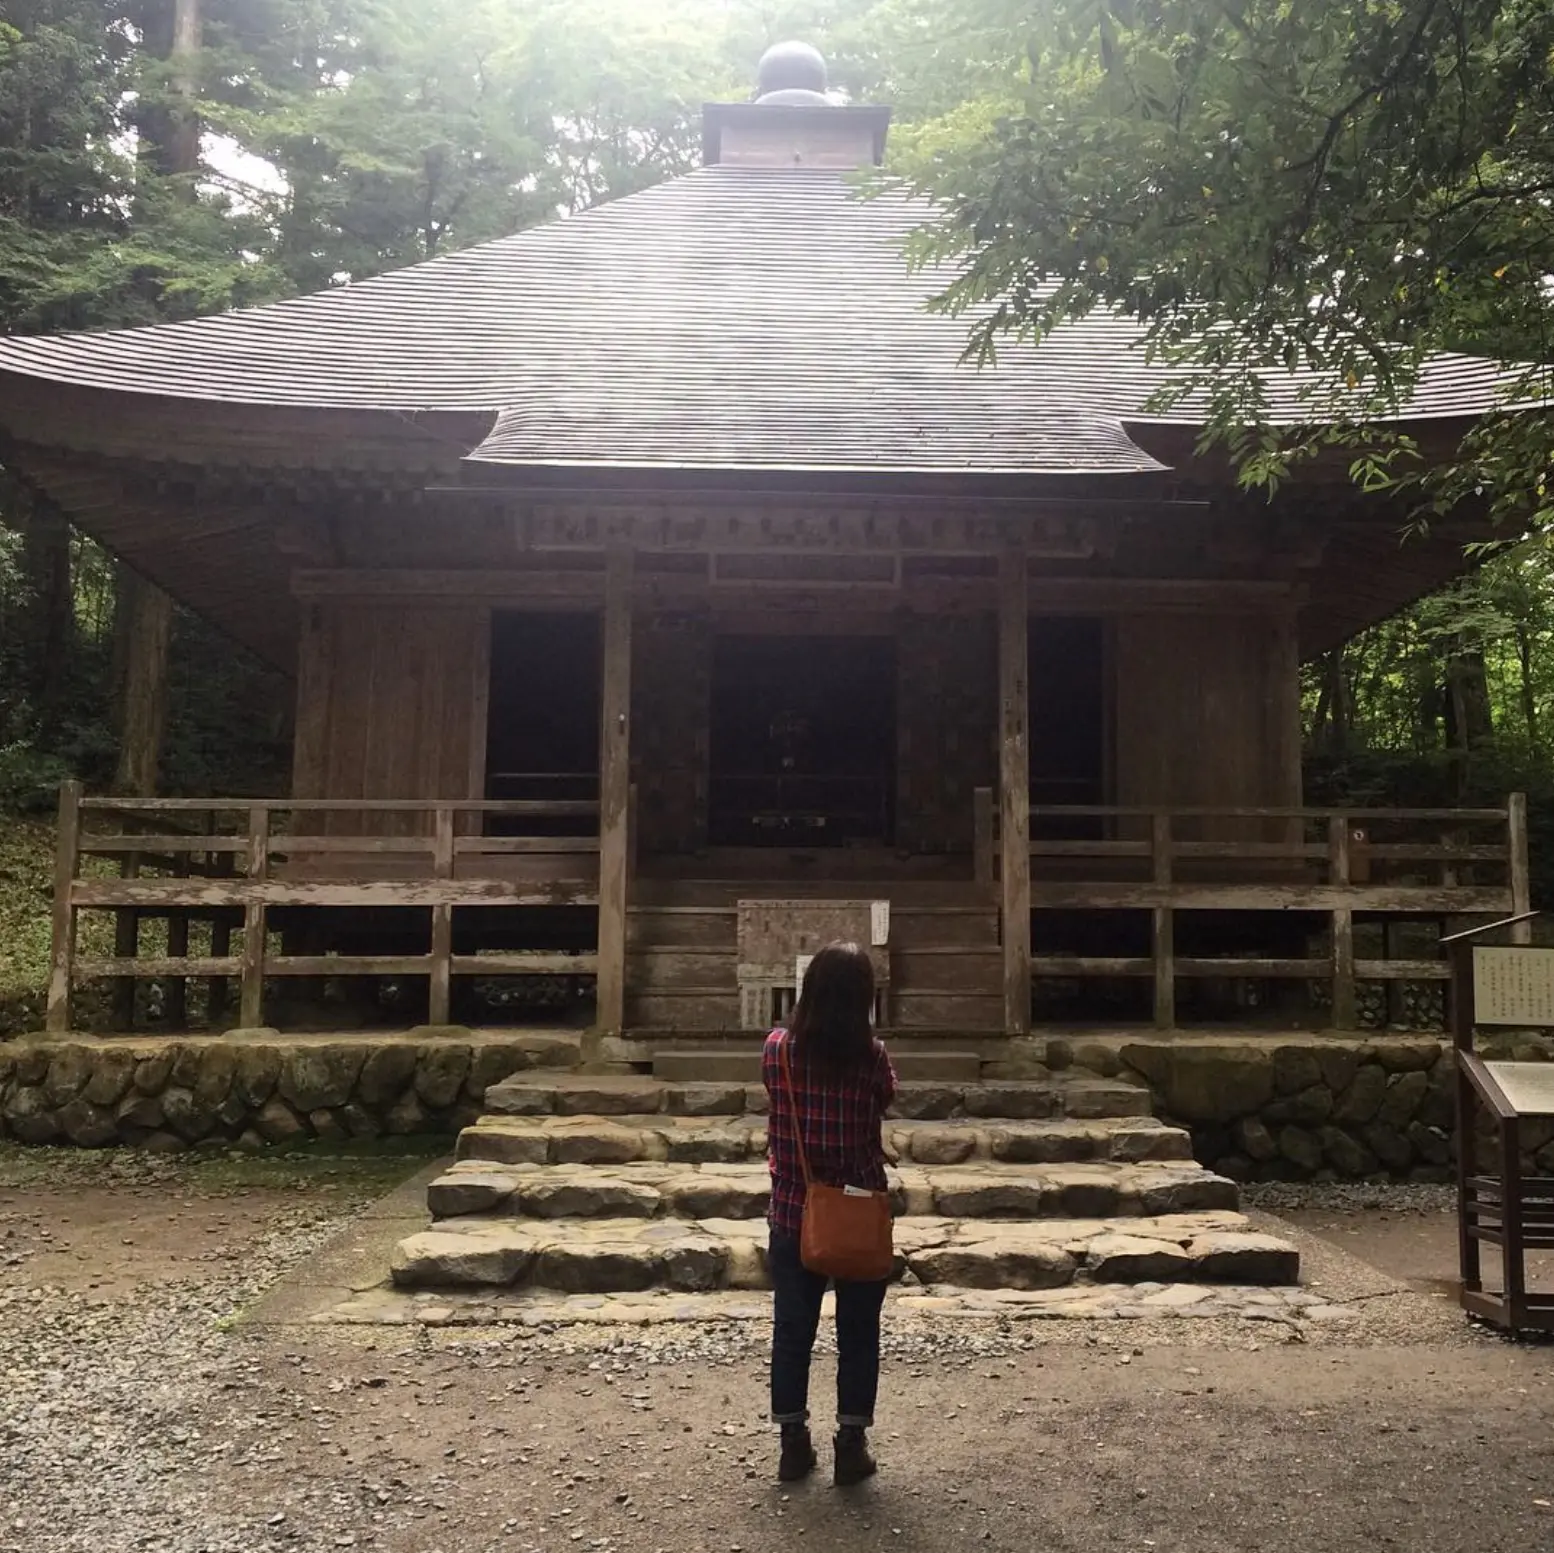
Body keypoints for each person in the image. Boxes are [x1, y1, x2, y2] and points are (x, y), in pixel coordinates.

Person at [763, 942, 898, 1486]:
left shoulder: (777, 1050)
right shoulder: (873, 1057)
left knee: (793, 1329)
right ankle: (851, 1444)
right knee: (859, 1332)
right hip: (859, 1213)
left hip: (795, 1210)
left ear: (808, 989)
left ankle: (793, 1444)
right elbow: (881, 1103)